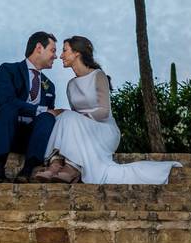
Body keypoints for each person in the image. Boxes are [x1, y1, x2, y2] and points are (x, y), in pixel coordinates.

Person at [34, 36, 181, 185]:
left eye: (65, 51)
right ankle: (56, 164)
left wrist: (72, 115)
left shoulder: (98, 76)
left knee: (69, 117)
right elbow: (72, 121)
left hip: (104, 129)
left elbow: (103, 112)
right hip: (83, 130)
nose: (60, 56)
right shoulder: (71, 85)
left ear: (77, 53)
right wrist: (54, 112)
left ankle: (72, 168)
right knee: (63, 119)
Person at [0, 31, 59, 183]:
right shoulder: (8, 70)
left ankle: (27, 170)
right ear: (39, 48)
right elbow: (7, 100)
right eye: (53, 50)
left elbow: (47, 114)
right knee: (9, 107)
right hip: (2, 133)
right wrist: (39, 110)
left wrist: (50, 113)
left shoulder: (49, 86)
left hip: (29, 139)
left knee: (48, 117)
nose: (55, 56)